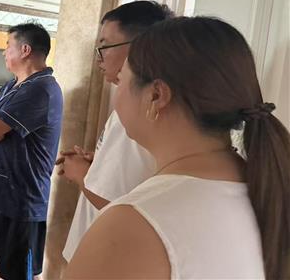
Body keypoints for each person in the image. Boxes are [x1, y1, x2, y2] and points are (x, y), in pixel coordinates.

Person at [66, 17, 290, 279]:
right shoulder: (265, 192)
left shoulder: (131, 226)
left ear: (156, 95)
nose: (116, 86)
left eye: (123, 76)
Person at [57, 1, 173, 262]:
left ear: (139, 47)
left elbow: (114, 202)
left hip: (107, 252)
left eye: (105, 45)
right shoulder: (142, 106)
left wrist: (78, 173)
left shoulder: (137, 112)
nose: (99, 58)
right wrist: (97, 163)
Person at [0, 22, 63, 280]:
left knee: (17, 271)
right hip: (0, 194)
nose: (4, 52)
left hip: (20, 200)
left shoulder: (40, 89)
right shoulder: (14, 85)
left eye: (8, 45)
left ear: (25, 50)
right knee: (2, 260)